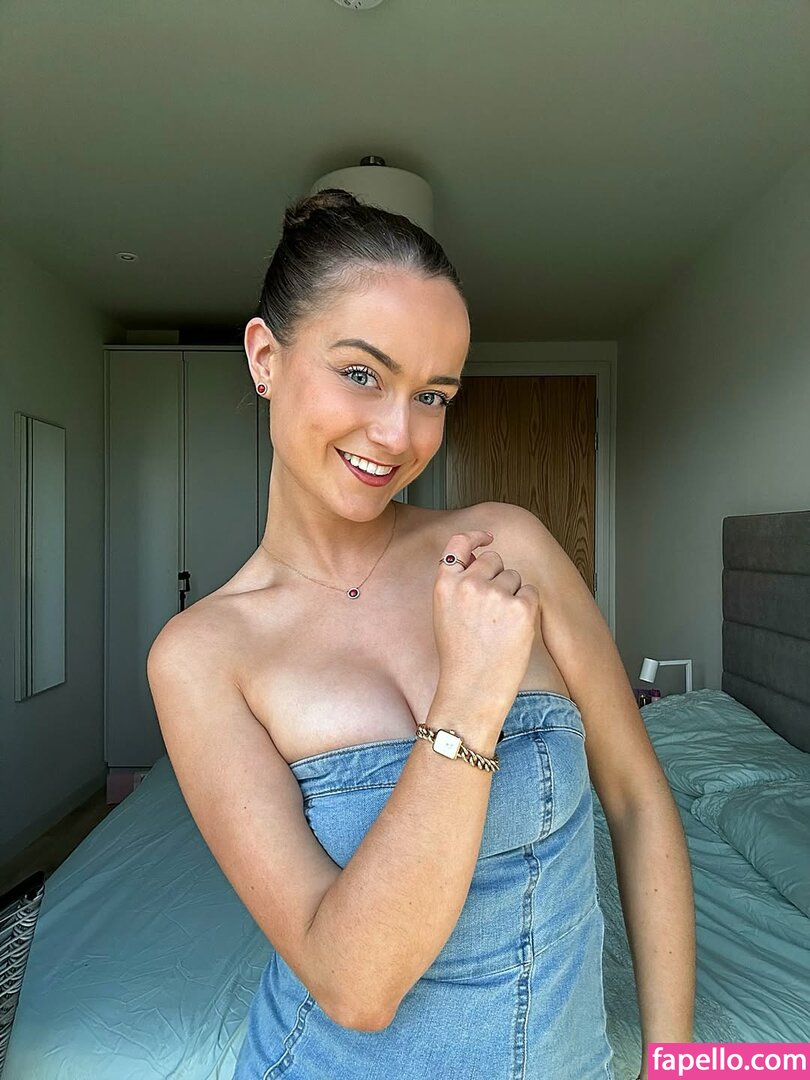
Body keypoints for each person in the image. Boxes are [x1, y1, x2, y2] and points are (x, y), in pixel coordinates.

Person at [146, 189, 695, 1079]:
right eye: (362, 374)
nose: (399, 434)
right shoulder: (203, 656)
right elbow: (355, 987)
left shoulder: (510, 546)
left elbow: (636, 800)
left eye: (433, 394)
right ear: (266, 359)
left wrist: (677, 1062)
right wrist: (470, 699)